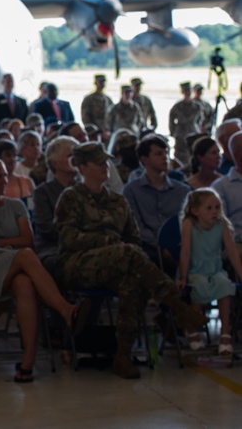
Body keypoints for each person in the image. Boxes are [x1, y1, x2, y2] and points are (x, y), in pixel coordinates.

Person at [55, 142, 206, 379]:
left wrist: (119, 248)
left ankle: (123, 355)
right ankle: (177, 305)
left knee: (133, 282)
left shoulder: (117, 200)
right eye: (99, 163)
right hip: (78, 263)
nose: (106, 166)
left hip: (119, 262)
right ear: (83, 167)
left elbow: (133, 238)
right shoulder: (71, 197)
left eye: (106, 161)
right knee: (128, 255)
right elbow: (69, 238)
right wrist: (107, 241)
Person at [0, 156, 87, 382]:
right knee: (26, 257)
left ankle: (27, 362)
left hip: (11, 262)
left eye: (5, 174)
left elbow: (27, 239)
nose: (4, 180)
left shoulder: (16, 205)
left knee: (25, 283)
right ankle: (66, 310)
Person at [178, 189, 242, 355]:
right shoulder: (189, 224)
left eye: (217, 207)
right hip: (195, 270)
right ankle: (192, 328)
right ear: (195, 211)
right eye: (209, 208)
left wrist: (241, 273)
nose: (215, 211)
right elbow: (185, 252)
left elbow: (232, 251)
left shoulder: (221, 225)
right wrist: (183, 276)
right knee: (199, 286)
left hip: (215, 269)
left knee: (225, 285)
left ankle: (225, 333)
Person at [122, 135, 190, 270]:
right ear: (144, 159)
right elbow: (136, 226)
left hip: (180, 247)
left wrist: (174, 246)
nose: (165, 157)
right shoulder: (131, 190)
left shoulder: (182, 190)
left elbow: (189, 222)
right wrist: (161, 245)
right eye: (159, 154)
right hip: (147, 248)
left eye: (166, 153)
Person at [30, 135, 78, 274]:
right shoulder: (43, 192)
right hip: (53, 247)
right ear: (55, 163)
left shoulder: (83, 188)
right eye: (70, 156)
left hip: (82, 244)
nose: (74, 160)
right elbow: (46, 227)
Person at [169, 81, 202, 168]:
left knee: (194, 154)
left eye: (189, 91)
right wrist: (173, 131)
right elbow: (171, 120)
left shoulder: (197, 106)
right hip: (180, 134)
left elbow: (199, 120)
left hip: (193, 132)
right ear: (182, 92)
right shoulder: (177, 106)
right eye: (185, 91)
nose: (187, 93)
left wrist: (197, 130)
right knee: (179, 157)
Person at [81, 74, 113, 142]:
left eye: (104, 82)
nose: (102, 84)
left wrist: (109, 131)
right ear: (95, 83)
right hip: (94, 135)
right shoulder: (89, 99)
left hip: (107, 134)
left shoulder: (108, 99)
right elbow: (85, 118)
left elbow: (112, 117)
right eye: (100, 82)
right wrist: (96, 133)